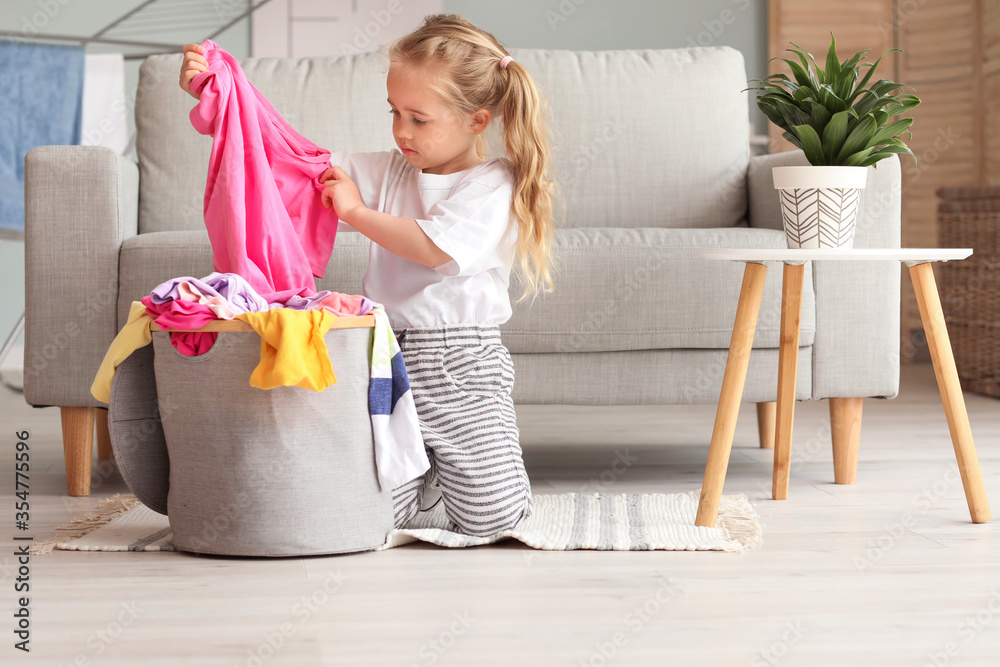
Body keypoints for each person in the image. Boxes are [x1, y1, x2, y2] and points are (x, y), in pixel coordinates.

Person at [179, 14, 555, 537]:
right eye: (394, 112)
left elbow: (435, 251)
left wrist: (355, 213)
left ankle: (452, 478)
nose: (401, 130)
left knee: (492, 521)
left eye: (418, 119)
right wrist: (222, 95)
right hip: (384, 357)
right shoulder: (394, 168)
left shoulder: (493, 184)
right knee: (371, 516)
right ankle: (425, 485)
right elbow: (295, 162)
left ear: (477, 120)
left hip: (461, 365)